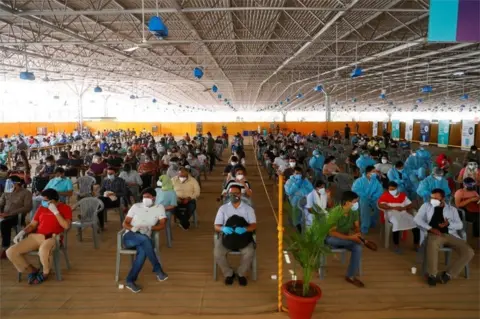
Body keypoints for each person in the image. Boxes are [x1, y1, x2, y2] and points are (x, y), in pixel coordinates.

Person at [6, 189, 72, 285]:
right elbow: (33, 225)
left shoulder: (65, 208)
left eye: (45, 200)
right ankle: (32, 270)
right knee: (11, 251)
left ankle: (45, 273)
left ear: (53, 200)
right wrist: (22, 232)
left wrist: (55, 212)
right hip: (37, 236)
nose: (43, 202)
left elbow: (66, 226)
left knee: (43, 251)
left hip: (52, 237)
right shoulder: (41, 208)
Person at [414, 188, 474, 287]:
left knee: (469, 252)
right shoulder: (426, 206)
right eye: (431, 198)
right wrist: (430, 228)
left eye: (436, 199)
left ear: (443, 199)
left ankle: (448, 274)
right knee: (432, 244)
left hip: (450, 234)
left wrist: (448, 224)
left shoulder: (452, 209)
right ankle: (432, 275)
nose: (432, 200)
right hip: (435, 234)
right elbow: (417, 219)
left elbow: (460, 225)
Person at [121, 188, 168, 293]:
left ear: (154, 198)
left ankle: (130, 280)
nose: (145, 199)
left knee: (143, 251)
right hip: (130, 236)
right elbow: (125, 223)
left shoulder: (159, 208)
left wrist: (150, 228)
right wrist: (134, 228)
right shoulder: (136, 206)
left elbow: (162, 225)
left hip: (145, 236)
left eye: (148, 197)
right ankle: (157, 269)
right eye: (144, 197)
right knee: (146, 239)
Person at [214, 185, 256, 286]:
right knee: (217, 252)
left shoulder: (248, 209)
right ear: (228, 195)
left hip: (243, 237)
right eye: (231, 194)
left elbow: (253, 225)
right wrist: (223, 228)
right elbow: (216, 226)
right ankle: (229, 273)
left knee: (249, 252)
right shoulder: (223, 208)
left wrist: (245, 229)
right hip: (227, 237)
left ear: (240, 194)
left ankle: (241, 273)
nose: (234, 196)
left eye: (236, 193)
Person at [325, 191, 365, 287]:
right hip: (332, 239)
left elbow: (356, 226)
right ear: (347, 203)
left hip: (345, 240)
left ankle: (350, 275)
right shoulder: (335, 212)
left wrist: (357, 232)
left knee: (358, 247)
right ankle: (356, 241)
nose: (356, 204)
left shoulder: (354, 211)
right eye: (355, 202)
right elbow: (332, 233)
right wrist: (351, 238)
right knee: (355, 243)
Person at [378, 181, 420, 253]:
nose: (392, 191)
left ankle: (416, 244)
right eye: (390, 189)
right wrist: (393, 208)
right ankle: (396, 245)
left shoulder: (402, 195)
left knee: (416, 224)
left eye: (393, 189)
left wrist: (404, 208)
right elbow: (381, 205)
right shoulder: (385, 195)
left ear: (397, 188)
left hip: (403, 213)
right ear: (388, 189)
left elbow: (410, 204)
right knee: (396, 223)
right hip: (391, 213)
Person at [0, 176, 32, 258]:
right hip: (4, 215)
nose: (6, 185)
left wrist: (9, 214)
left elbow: (27, 207)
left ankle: (5, 248)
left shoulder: (26, 193)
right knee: (4, 221)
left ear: (16, 183)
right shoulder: (7, 192)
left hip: (17, 216)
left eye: (9, 183)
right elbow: (1, 203)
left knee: (4, 223)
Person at [352, 165, 383, 234]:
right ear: (368, 173)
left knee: (378, 206)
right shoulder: (359, 181)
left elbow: (380, 190)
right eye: (373, 171)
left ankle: (372, 222)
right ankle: (364, 227)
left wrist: (374, 197)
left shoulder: (375, 181)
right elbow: (355, 190)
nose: (375, 173)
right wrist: (365, 196)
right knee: (365, 208)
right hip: (362, 198)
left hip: (373, 198)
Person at [454, 178, 480, 245]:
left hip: (475, 209)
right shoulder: (460, 192)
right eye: (469, 185)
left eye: (473, 185)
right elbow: (458, 205)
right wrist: (470, 200)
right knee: (478, 217)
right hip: (465, 212)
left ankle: (477, 234)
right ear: (464, 184)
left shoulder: (474, 192)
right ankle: (477, 235)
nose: (471, 186)